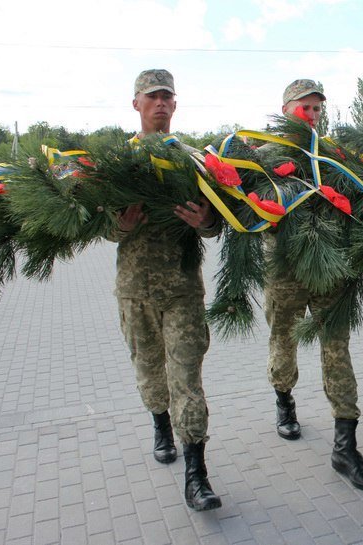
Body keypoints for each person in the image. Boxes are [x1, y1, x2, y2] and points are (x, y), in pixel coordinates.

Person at [111, 69, 222, 511]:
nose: (160, 103)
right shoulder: (118, 164)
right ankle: (160, 423)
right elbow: (94, 221)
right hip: (134, 289)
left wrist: (207, 223)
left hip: (182, 289)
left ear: (175, 105)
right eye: (151, 97)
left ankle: (197, 474)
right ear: (135, 104)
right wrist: (118, 226)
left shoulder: (194, 161)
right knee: (149, 370)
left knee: (187, 378)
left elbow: (219, 220)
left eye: (167, 97)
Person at [263, 79, 363, 491]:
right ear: (285, 109)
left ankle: (345, 447)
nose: (312, 115)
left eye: (317, 109)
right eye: (304, 108)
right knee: (283, 342)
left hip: (331, 272)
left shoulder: (334, 157)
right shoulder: (264, 156)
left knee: (337, 350)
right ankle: (284, 400)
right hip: (285, 273)